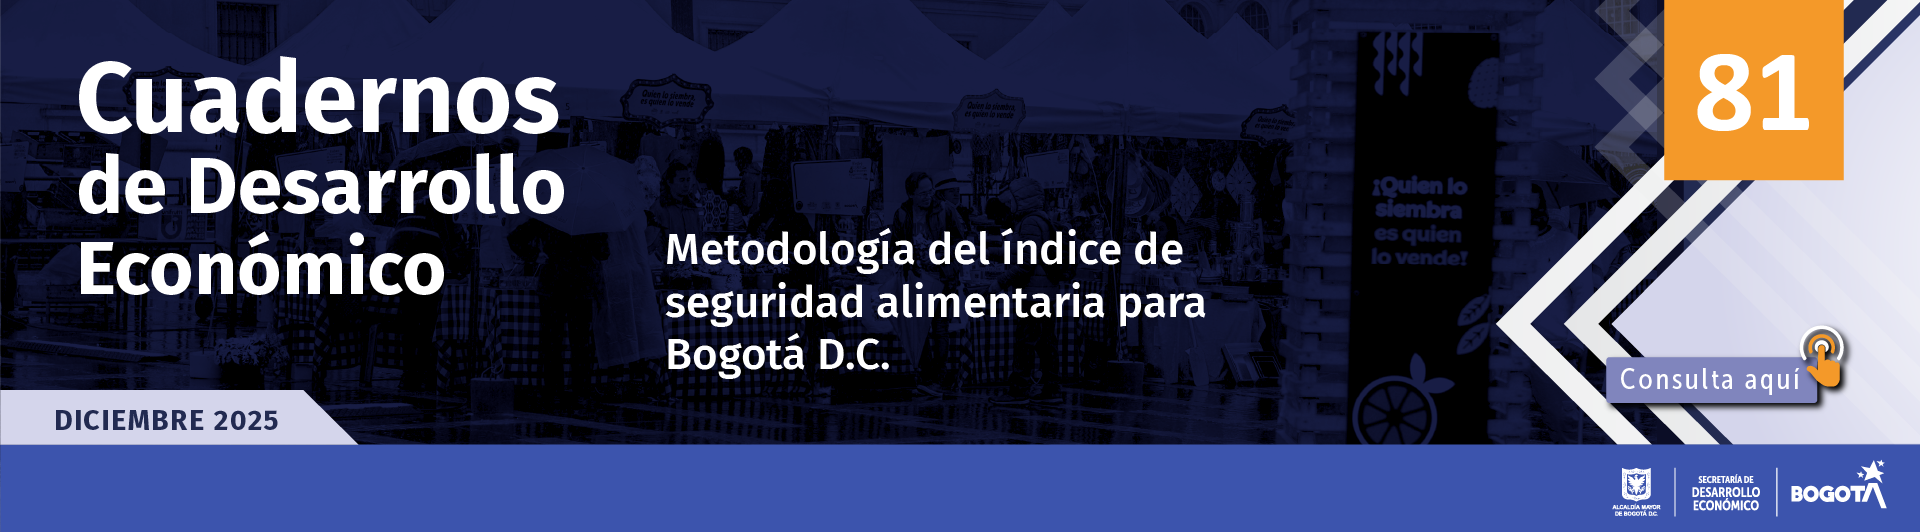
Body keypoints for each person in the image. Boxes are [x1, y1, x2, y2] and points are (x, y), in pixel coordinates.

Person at [509, 218, 610, 407]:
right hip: (579, 285)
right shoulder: (589, 218)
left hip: (553, 284)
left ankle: (553, 391)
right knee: (580, 343)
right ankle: (580, 392)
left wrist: (535, 255)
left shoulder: (549, 215)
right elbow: (603, 252)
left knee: (552, 342)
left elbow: (515, 238)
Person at [988, 177, 1065, 405]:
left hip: (1033, 293)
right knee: (1045, 342)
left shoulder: (1030, 223)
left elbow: (1025, 264)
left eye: (1010, 199)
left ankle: (1019, 390)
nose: (1007, 204)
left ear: (1021, 199)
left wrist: (1000, 282)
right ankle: (1052, 389)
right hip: (1045, 291)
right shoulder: (1039, 219)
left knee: (1026, 341)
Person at [891, 172, 968, 397]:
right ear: (911, 194)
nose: (928, 196)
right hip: (916, 279)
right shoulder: (902, 214)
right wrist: (907, 258)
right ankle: (926, 376)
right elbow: (896, 245)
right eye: (923, 193)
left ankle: (938, 379)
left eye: (930, 191)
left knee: (940, 328)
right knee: (920, 329)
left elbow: (960, 240)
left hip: (942, 277)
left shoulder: (945, 210)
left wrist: (941, 254)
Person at [735, 147, 764, 219]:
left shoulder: (747, 176)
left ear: (741, 161)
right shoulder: (757, 172)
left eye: (736, 160)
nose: (736, 164)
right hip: (758, 214)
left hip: (750, 216)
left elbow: (747, 202)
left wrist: (736, 195)